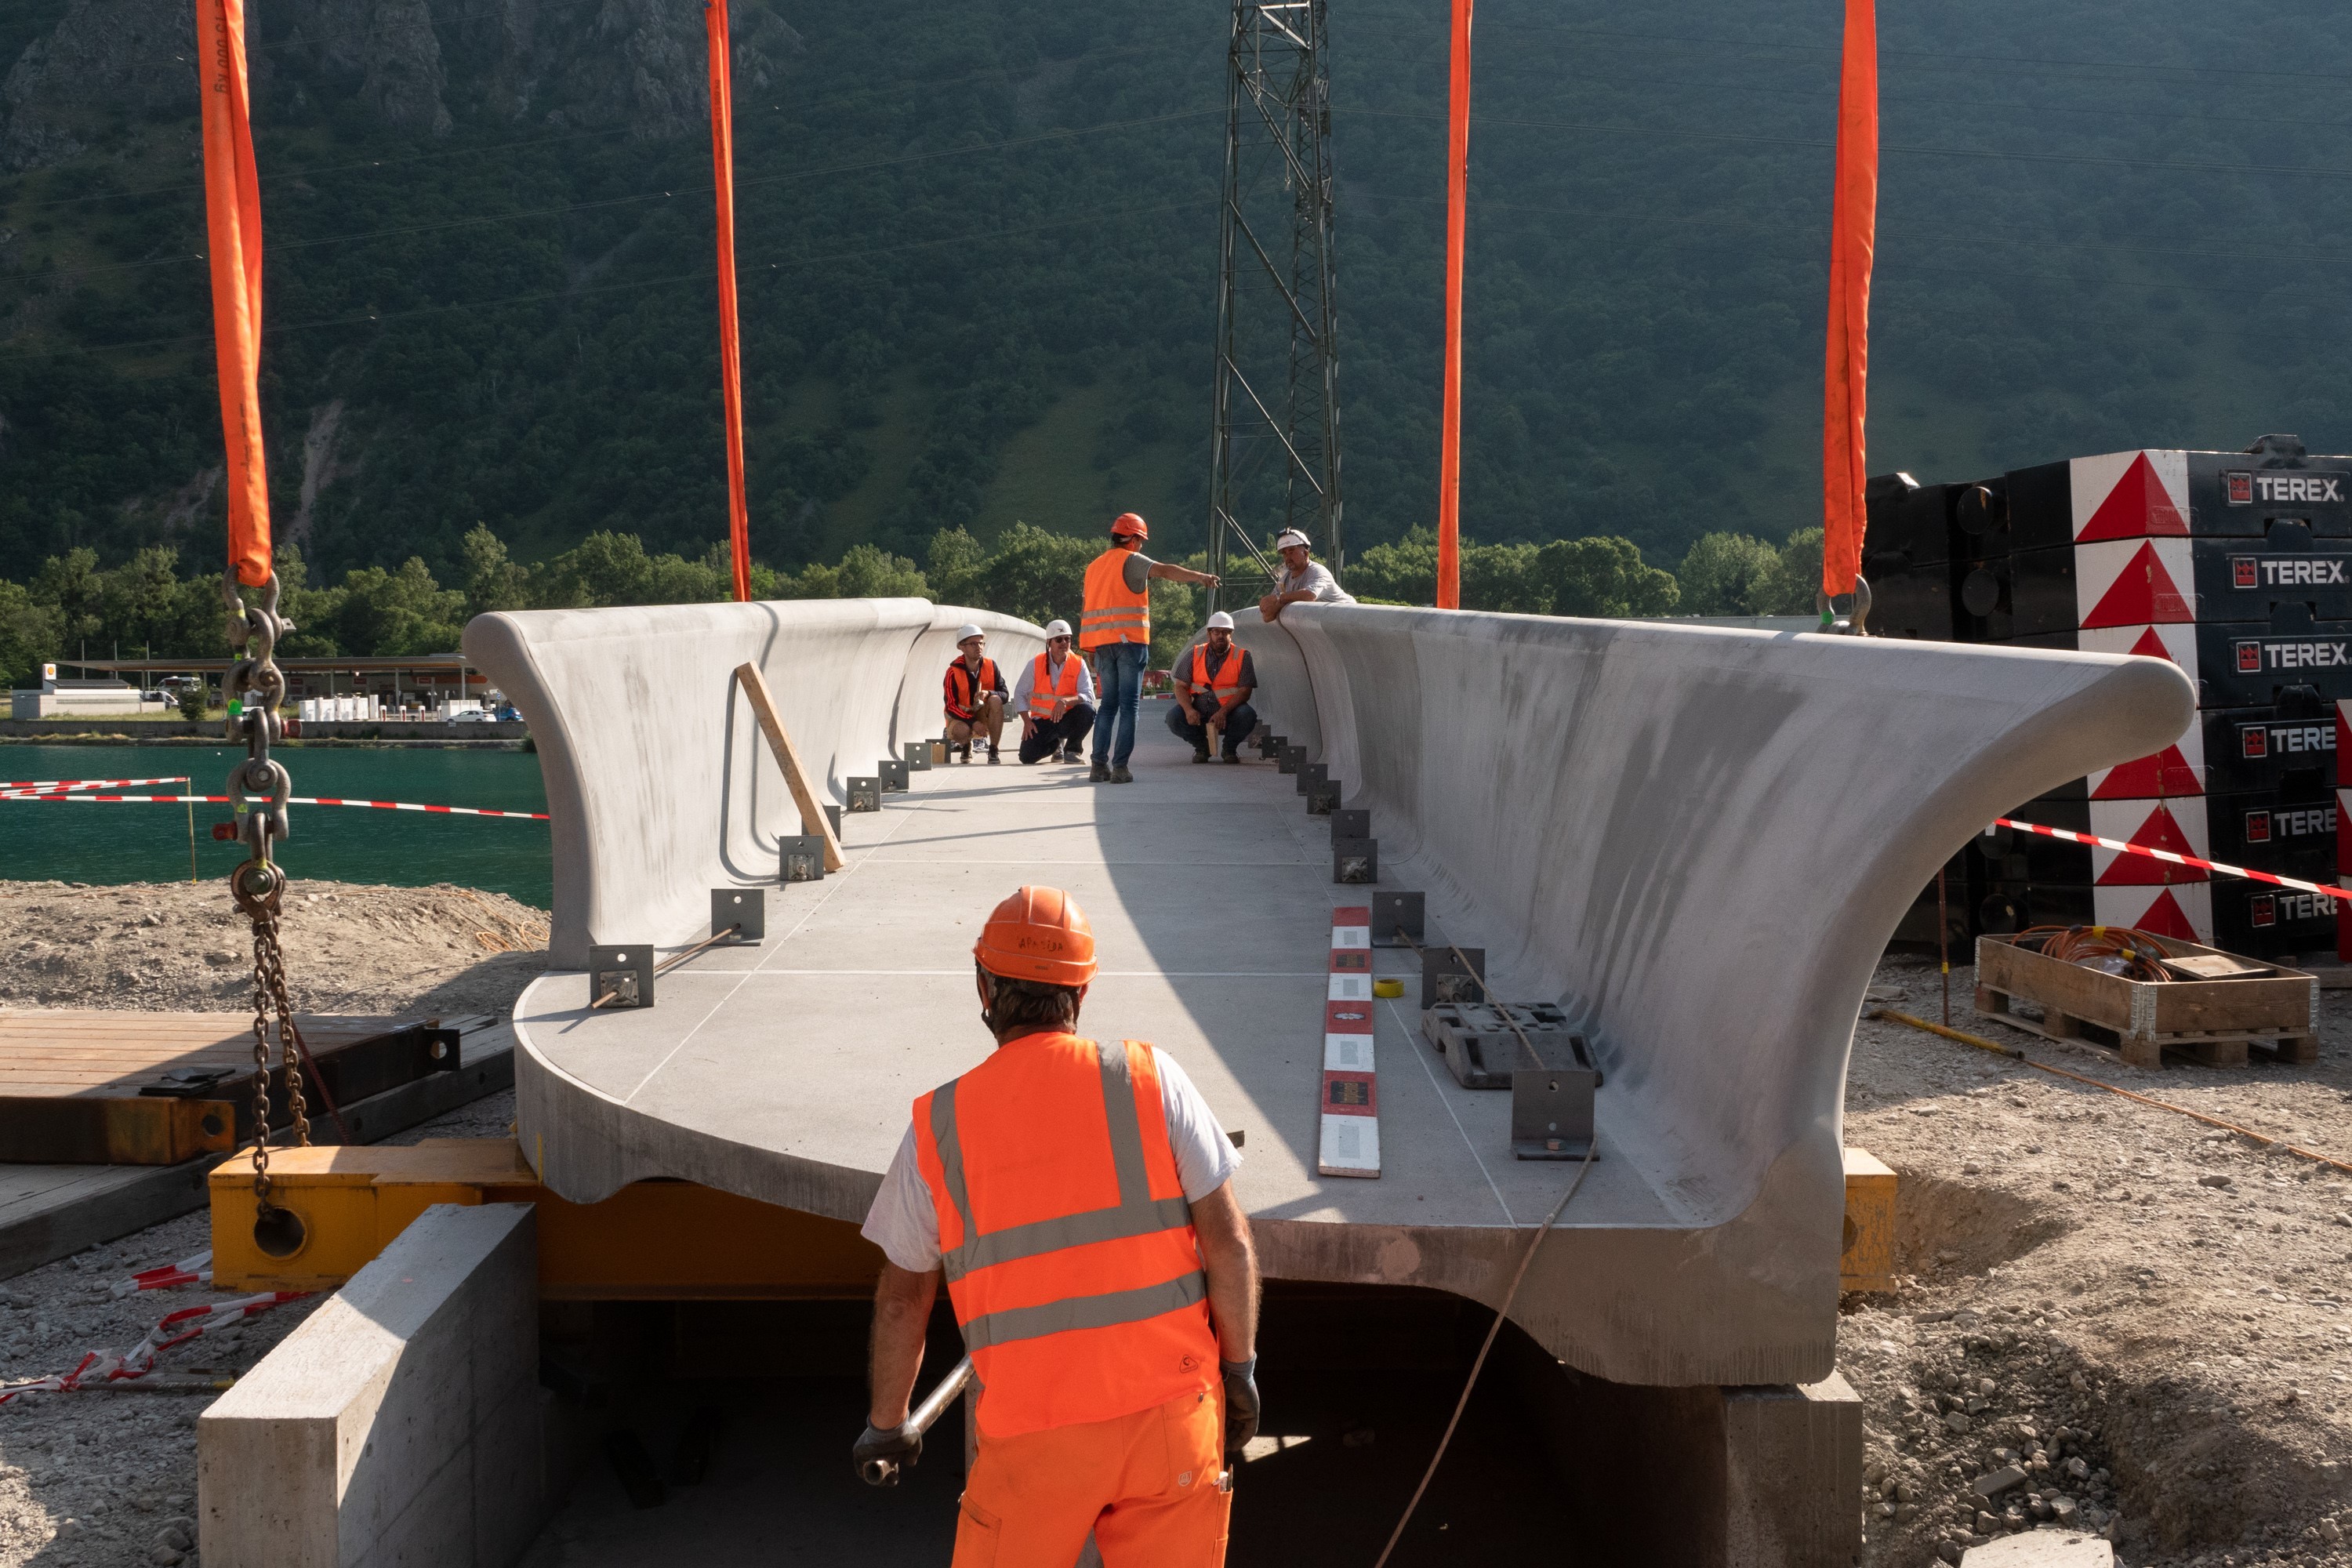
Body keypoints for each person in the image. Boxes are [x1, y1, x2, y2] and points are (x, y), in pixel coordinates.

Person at [855, 887, 1261, 1566]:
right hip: (1171, 1424)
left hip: (1033, 1442)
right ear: (1083, 990)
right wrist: (1241, 1367)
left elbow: (903, 1302)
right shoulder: (1150, 1079)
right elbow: (1230, 1242)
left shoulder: (937, 1128)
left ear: (984, 987)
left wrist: (886, 1424)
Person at [1080, 512, 1218, 784]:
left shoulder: (1093, 567)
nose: (1142, 546)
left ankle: (1098, 766)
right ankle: (1120, 767)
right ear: (1131, 539)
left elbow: (1088, 608)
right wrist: (1200, 577)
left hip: (1102, 646)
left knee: (1107, 706)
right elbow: (1166, 570)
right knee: (1129, 706)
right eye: (1141, 541)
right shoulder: (1131, 560)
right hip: (1130, 644)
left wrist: (1089, 649)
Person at [1165, 611, 1258, 764]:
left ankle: (1229, 749)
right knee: (1173, 717)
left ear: (1231, 634)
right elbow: (1180, 686)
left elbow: (1245, 691)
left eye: (1225, 632)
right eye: (1216, 632)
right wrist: (1189, 710)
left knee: (1247, 715)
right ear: (1209, 634)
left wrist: (1223, 712)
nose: (1221, 636)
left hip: (1228, 715)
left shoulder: (1242, 656)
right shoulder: (1194, 654)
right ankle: (1202, 748)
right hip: (1198, 715)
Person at [1012, 619, 1096, 765]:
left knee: (1088, 710)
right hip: (1043, 721)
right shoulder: (1035, 663)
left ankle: (1072, 750)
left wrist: (1066, 702)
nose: (1064, 643)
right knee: (1027, 757)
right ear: (1049, 642)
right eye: (1059, 639)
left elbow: (1089, 694)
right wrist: (1026, 721)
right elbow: (1019, 693)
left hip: (1067, 719)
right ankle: (1055, 745)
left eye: (1067, 639)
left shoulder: (1078, 663)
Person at [1257, 528, 1355, 621]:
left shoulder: (1318, 571)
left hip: (1348, 618)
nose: (1288, 557)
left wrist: (1279, 599)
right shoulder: (1285, 580)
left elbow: (1310, 595)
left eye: (1291, 551)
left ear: (1306, 553)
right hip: (1326, 625)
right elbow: (1268, 615)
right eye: (1285, 553)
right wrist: (1274, 604)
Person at [944, 625, 1006, 764]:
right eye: (973, 644)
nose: (979, 647)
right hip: (961, 718)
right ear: (962, 647)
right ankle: (966, 745)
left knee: (996, 700)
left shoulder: (991, 665)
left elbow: (1005, 694)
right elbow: (951, 706)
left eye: (981, 643)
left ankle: (994, 749)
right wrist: (973, 723)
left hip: (982, 714)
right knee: (961, 731)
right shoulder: (953, 672)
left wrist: (989, 693)